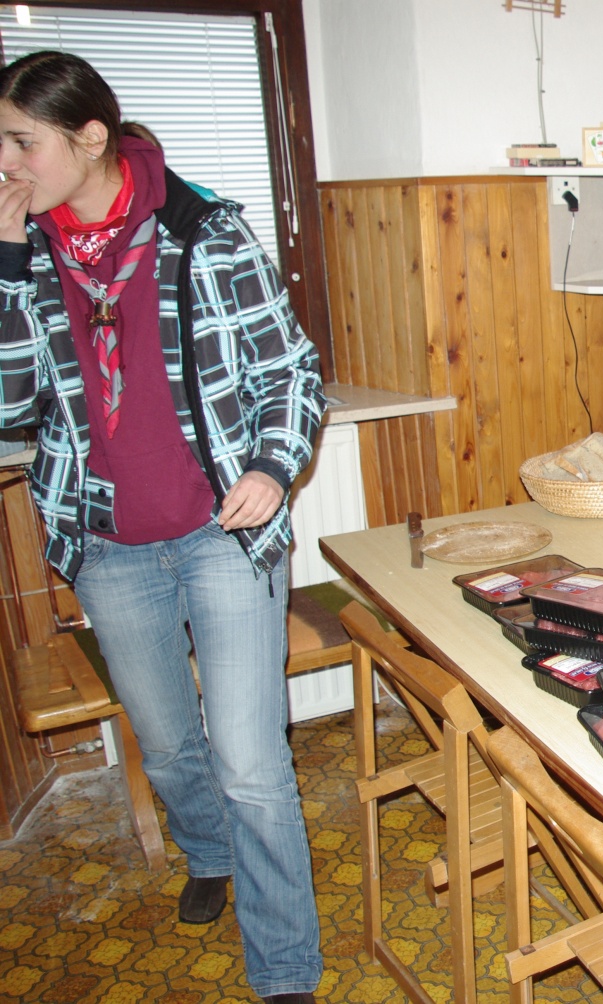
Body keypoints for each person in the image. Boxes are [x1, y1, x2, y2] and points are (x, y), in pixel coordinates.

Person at [0, 52, 324, 1003]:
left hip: (224, 536)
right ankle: (207, 851)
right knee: (169, 740)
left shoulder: (203, 231)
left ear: (89, 137)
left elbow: (292, 373)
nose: (6, 163)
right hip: (106, 545)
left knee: (251, 761)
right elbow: (9, 406)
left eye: (21, 142)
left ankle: (285, 970)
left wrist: (271, 467)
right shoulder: (30, 252)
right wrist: (5, 265)